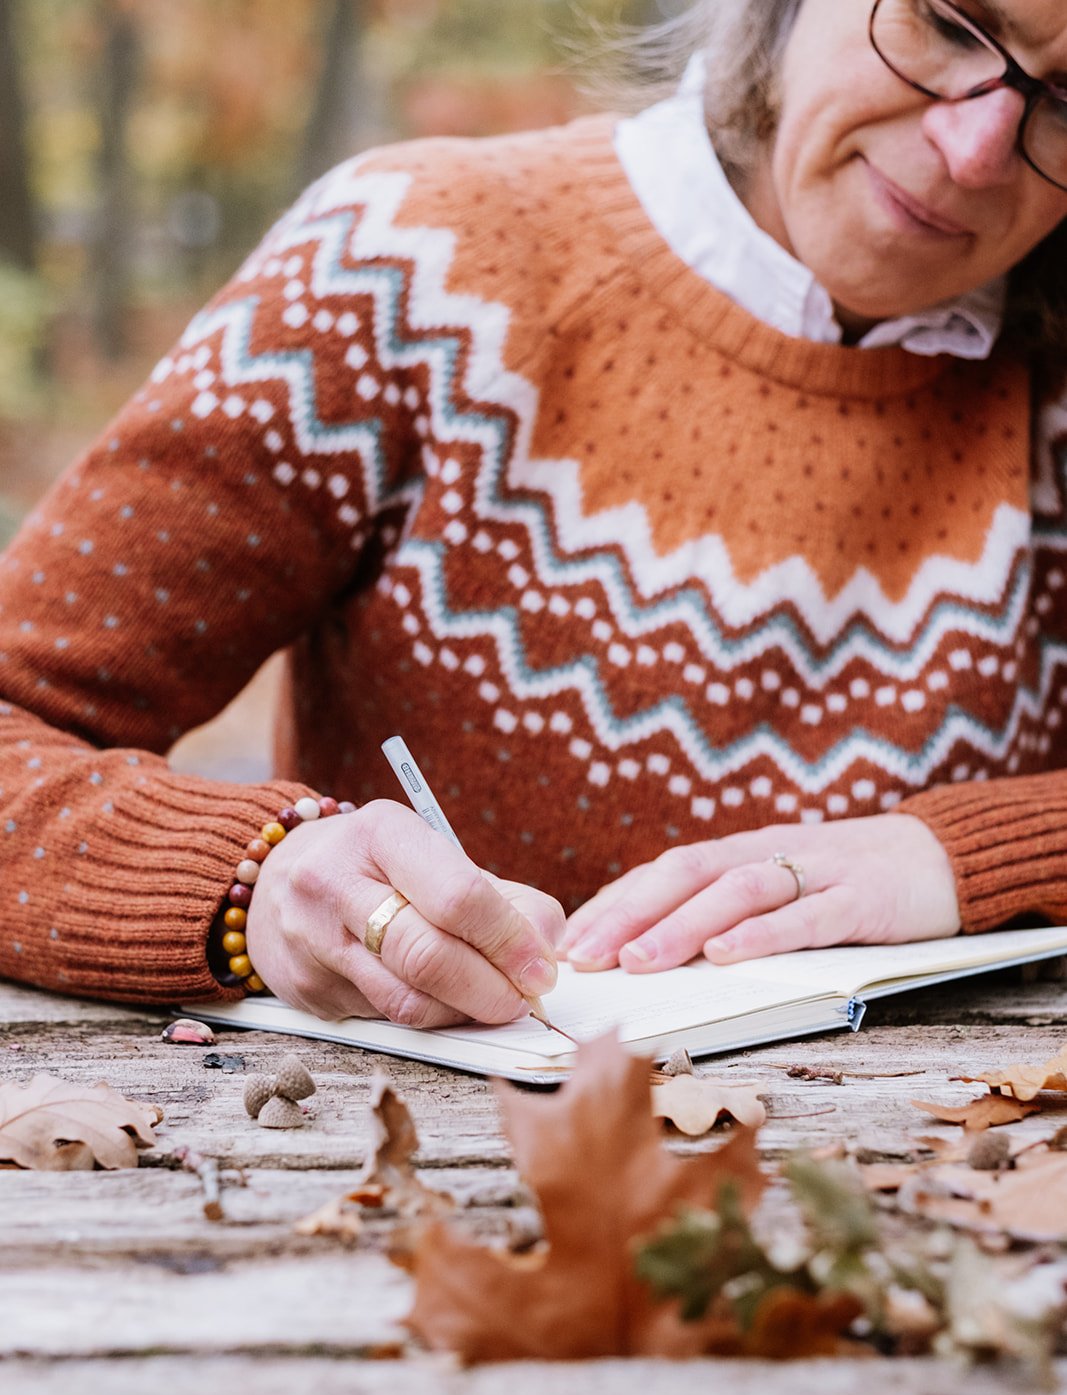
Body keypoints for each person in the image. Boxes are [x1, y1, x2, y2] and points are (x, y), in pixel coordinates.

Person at [2, 0, 1067, 1031]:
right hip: (410, 1179)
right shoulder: (413, 269)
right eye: (946, 24)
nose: (976, 149)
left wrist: (964, 857)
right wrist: (252, 878)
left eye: (1063, 98)